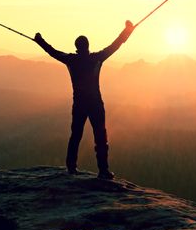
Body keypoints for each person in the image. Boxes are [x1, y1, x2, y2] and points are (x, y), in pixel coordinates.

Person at [34, 20, 136, 179]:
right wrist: (128, 31)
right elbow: (115, 45)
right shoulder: (97, 58)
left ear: (76, 47)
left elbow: (52, 52)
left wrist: (40, 40)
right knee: (100, 137)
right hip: (95, 103)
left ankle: (71, 167)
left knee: (76, 135)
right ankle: (103, 170)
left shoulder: (71, 60)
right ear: (87, 46)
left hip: (79, 104)